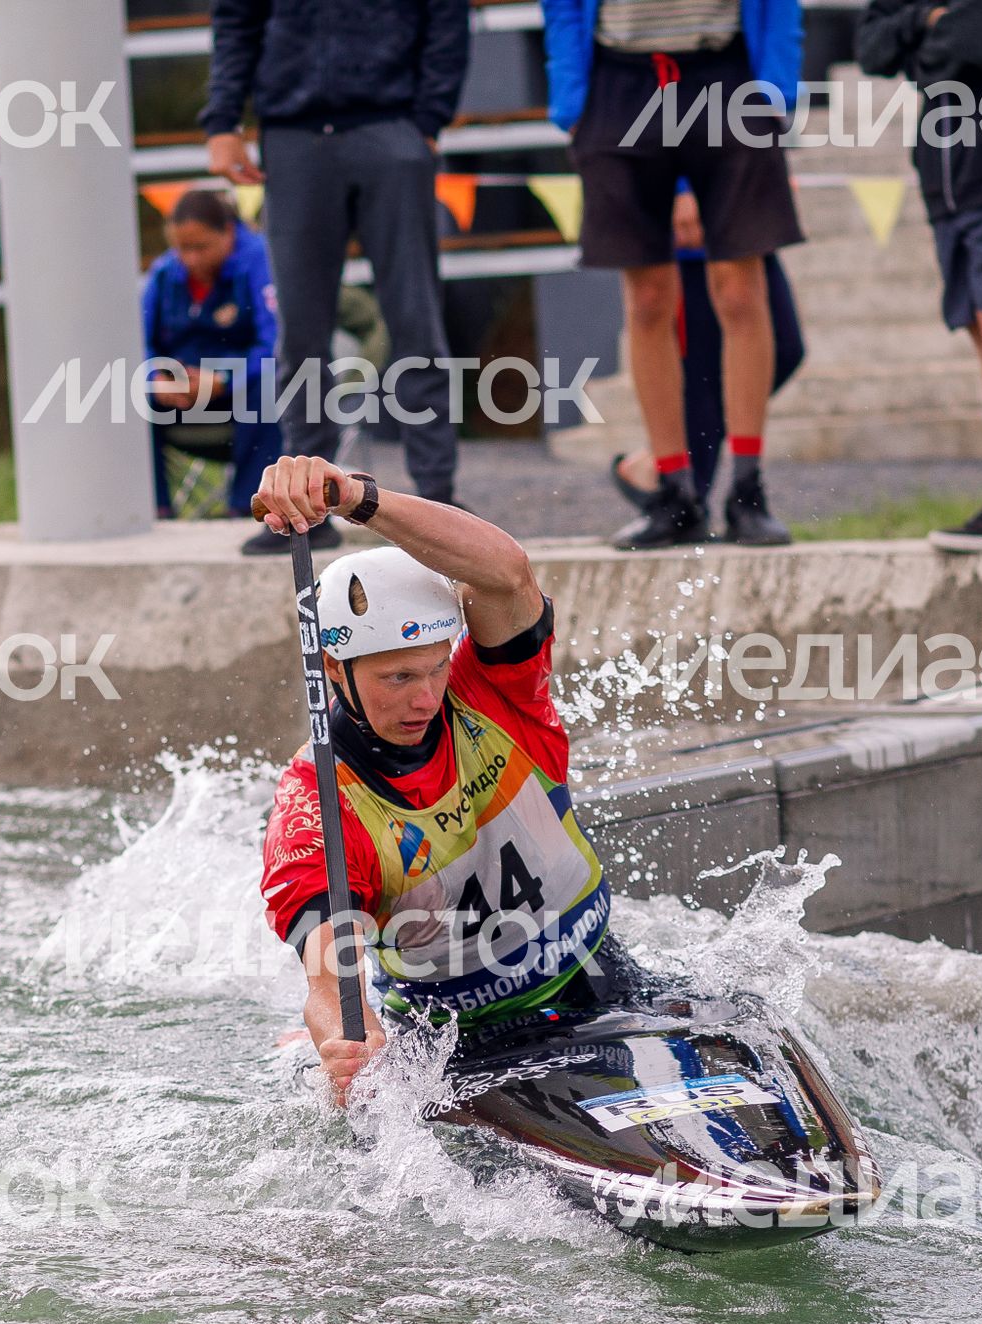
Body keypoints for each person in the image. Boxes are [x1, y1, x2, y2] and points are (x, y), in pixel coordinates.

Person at [251, 455, 640, 1104]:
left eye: (434, 668)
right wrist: (351, 1042)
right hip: (460, 1049)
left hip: (604, 987)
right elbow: (327, 983)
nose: (427, 698)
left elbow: (506, 572)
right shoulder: (318, 809)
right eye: (398, 678)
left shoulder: (494, 694)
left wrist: (356, 497)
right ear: (332, 669)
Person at [203, 0, 469, 554]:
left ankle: (437, 498)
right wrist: (223, 121)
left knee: (414, 318)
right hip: (294, 136)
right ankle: (306, 510)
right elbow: (236, 17)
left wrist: (428, 119)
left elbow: (445, 15)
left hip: (390, 126)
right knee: (300, 329)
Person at [547, 0, 805, 549]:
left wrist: (777, 89)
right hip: (619, 81)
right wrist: (572, 100)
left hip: (726, 76)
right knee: (646, 301)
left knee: (739, 293)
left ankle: (748, 490)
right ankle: (674, 493)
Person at [857, 0, 982, 550]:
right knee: (979, 325)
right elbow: (870, 48)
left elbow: (970, 43)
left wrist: (915, 41)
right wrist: (925, 21)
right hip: (944, 177)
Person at [609, 186, 803, 519]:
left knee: (784, 349)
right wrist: (683, 189)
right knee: (701, 376)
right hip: (692, 232)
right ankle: (680, 491)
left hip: (740, 205)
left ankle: (657, 467)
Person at [142, 187, 284, 520]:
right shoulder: (164, 274)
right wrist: (156, 379)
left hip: (239, 394)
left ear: (229, 233)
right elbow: (139, 343)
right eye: (182, 248)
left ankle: (247, 510)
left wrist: (223, 381)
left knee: (268, 391)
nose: (191, 259)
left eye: (201, 247)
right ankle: (154, 510)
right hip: (181, 396)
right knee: (127, 395)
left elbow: (275, 344)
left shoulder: (261, 261)